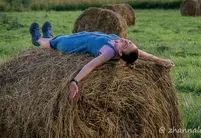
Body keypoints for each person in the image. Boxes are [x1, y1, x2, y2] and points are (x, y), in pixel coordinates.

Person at [30, 21, 174, 99]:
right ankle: (48, 34)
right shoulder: (120, 44)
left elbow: (90, 65)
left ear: (120, 53)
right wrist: (159, 60)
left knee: (55, 43)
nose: (126, 40)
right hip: (87, 35)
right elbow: (140, 53)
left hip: (76, 44)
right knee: (62, 36)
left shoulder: (109, 51)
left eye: (126, 44)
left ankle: (38, 39)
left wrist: (74, 81)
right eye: (129, 42)